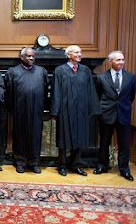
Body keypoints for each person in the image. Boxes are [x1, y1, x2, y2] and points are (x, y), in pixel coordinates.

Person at [50, 45, 101, 177]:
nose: (80, 54)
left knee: (79, 137)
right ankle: (61, 165)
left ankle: (75, 165)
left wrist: (93, 109)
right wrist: (55, 111)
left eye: (80, 52)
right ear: (68, 55)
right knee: (63, 138)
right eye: (76, 52)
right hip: (65, 110)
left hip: (81, 111)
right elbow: (56, 91)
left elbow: (91, 90)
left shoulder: (85, 70)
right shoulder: (60, 70)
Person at [94, 50, 136, 181]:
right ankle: (102, 166)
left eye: (122, 60)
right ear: (110, 61)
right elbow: (98, 95)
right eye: (118, 60)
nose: (121, 62)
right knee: (104, 142)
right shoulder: (101, 77)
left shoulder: (131, 77)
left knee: (124, 144)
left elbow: (131, 96)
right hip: (106, 114)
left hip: (124, 114)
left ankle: (124, 169)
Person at [5, 47, 49, 174]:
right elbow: (9, 93)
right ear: (22, 57)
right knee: (20, 136)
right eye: (29, 56)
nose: (31, 58)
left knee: (35, 136)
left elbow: (46, 91)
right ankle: (20, 162)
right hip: (20, 111)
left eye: (33, 56)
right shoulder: (13, 72)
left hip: (37, 110)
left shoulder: (41, 72)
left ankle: (34, 162)